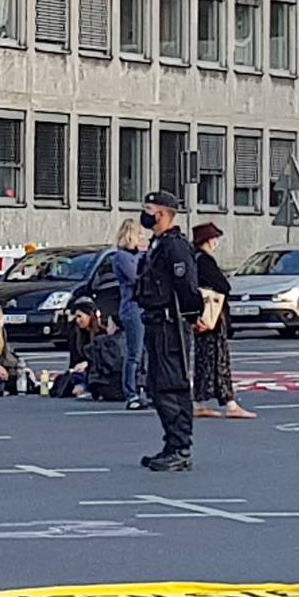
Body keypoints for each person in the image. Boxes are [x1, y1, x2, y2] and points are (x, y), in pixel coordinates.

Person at [132, 191, 201, 471]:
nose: (145, 214)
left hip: (170, 324)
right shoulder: (158, 244)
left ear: (160, 214)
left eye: (148, 209)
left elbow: (187, 288)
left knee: (172, 384)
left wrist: (191, 317)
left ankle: (180, 448)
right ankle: (171, 444)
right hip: (155, 322)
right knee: (158, 386)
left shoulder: (175, 247)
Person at [188, 223, 253, 420]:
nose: (216, 242)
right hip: (213, 317)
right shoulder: (205, 261)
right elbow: (223, 286)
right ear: (207, 240)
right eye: (214, 238)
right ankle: (230, 403)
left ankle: (199, 401)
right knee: (219, 360)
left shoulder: (193, 259)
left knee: (203, 360)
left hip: (201, 318)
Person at [109, 221, 149, 409]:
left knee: (146, 352)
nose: (143, 239)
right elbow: (136, 278)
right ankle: (131, 393)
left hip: (145, 307)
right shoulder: (122, 257)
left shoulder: (139, 256)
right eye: (140, 235)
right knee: (134, 352)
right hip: (132, 308)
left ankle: (145, 388)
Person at [54, 301, 126, 400]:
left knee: (79, 384)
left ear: (90, 316)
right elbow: (73, 356)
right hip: (80, 371)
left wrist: (87, 363)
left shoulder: (102, 334)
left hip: (95, 371)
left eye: (80, 316)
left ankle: (85, 387)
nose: (77, 320)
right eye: (76, 317)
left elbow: (105, 361)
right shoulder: (76, 334)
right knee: (63, 380)